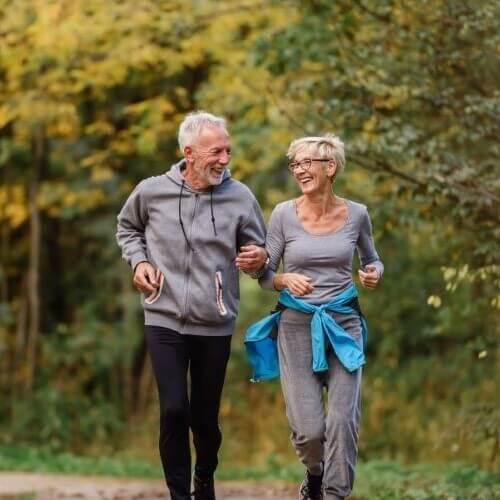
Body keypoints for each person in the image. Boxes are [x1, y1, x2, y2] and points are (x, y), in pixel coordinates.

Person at [116, 111, 267, 500]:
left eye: (228, 150)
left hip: (213, 322)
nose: (225, 159)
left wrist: (259, 259)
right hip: (163, 316)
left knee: (204, 419)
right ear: (190, 152)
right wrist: (141, 261)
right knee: (172, 410)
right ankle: (180, 495)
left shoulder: (240, 197)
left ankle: (205, 474)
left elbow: (260, 252)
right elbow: (128, 227)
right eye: (216, 151)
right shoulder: (152, 191)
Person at [245, 134, 383, 500]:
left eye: (307, 162)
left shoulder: (357, 214)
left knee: (341, 420)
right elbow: (264, 275)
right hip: (296, 327)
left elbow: (372, 259)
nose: (299, 170)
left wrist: (373, 273)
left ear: (330, 167)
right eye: (295, 164)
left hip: (343, 325)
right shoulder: (283, 215)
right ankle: (316, 474)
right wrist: (283, 278)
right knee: (309, 431)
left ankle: (336, 494)